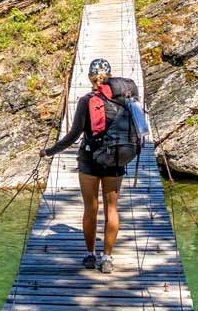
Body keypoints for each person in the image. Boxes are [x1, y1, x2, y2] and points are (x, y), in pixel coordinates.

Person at [41, 58, 131, 273]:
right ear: (110, 76)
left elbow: (73, 136)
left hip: (90, 160)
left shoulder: (86, 100)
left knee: (90, 208)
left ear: (90, 77)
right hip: (116, 160)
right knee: (112, 209)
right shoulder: (126, 99)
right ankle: (107, 257)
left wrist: (49, 152)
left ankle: (90, 255)